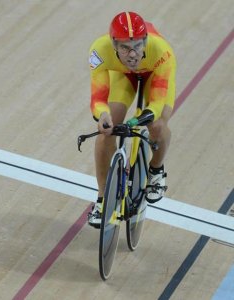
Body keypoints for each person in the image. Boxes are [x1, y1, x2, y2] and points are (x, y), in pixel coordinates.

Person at [88, 12, 176, 228]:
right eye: (125, 47)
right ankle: (101, 199)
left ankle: (156, 169)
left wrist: (137, 121)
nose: (133, 54)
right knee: (106, 131)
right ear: (113, 44)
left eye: (137, 46)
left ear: (145, 41)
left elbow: (155, 105)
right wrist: (103, 116)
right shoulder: (98, 51)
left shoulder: (161, 51)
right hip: (122, 75)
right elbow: (98, 98)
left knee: (156, 125)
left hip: (154, 75)